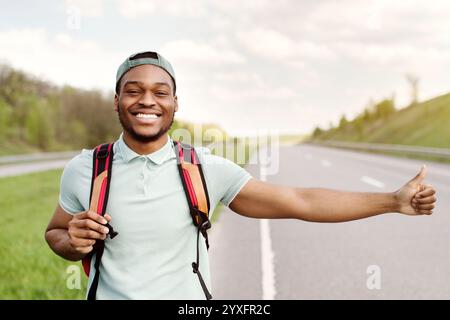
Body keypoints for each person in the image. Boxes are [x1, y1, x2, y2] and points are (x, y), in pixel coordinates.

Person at [45, 51, 437, 300]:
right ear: (117, 101)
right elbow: (56, 233)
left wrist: (391, 201)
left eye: (160, 92)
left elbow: (300, 201)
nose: (147, 100)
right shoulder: (86, 169)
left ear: (175, 104)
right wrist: (72, 242)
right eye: (133, 90)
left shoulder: (203, 168)